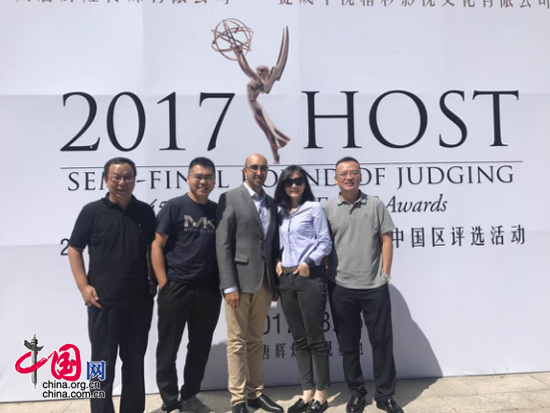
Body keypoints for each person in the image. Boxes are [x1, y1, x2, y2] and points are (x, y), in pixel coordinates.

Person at [68, 157, 156, 413]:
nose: (122, 182)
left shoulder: (145, 212)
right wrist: (83, 286)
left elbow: (153, 249)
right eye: (116, 177)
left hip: (138, 302)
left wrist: (153, 280)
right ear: (106, 180)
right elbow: (74, 249)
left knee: (134, 363)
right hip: (102, 302)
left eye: (127, 177)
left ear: (135, 180)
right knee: (99, 363)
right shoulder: (92, 212)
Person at [324, 157, 404, 413]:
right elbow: (323, 246)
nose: (349, 177)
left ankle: (385, 395)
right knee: (348, 345)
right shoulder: (327, 208)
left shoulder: (375, 204)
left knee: (382, 342)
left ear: (360, 176)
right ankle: (357, 393)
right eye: (343, 174)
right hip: (341, 287)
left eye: (354, 173)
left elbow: (386, 240)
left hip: (374, 286)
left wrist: (385, 273)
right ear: (336, 179)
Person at [152, 157, 222, 413]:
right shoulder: (174, 206)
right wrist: (164, 283)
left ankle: (190, 395)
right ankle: (170, 400)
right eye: (198, 176)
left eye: (208, 177)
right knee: (168, 347)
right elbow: (156, 245)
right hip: (177, 287)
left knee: (200, 346)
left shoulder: (217, 211)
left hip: (208, 290)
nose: (203, 182)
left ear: (214, 181)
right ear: (188, 178)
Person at [216, 153, 284, 413]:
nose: (259, 172)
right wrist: (229, 286)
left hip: (264, 283)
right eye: (254, 168)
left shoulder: (271, 203)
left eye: (263, 168)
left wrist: (275, 284)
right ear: (244, 170)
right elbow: (223, 244)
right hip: (239, 283)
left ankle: (256, 393)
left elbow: (272, 245)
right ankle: (238, 399)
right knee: (237, 342)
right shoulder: (230, 197)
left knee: (255, 340)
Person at [273, 166, 332, 413]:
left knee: (315, 338)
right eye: (289, 182)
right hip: (286, 279)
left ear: (305, 184)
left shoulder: (314, 208)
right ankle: (307, 392)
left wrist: (308, 262)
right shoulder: (280, 212)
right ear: (283, 186)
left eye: (298, 181)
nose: (294, 185)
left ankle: (322, 393)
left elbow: (325, 242)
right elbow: (279, 243)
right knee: (298, 339)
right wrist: (278, 260)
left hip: (309, 278)